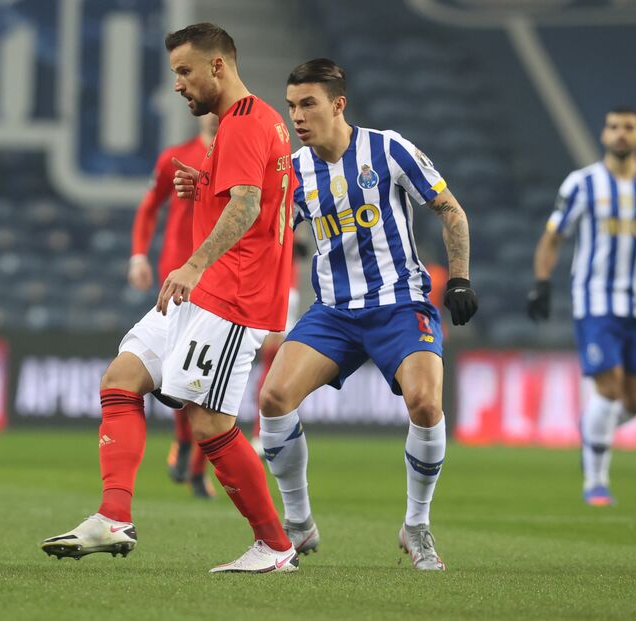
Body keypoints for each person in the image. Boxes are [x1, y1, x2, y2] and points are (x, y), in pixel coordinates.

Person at [42, 23, 299, 574]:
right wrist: (201, 187)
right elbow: (247, 195)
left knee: (208, 426)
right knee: (121, 377)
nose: (178, 84)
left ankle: (276, 547)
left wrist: (194, 262)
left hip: (230, 296)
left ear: (217, 66)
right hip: (202, 292)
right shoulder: (245, 122)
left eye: (184, 72)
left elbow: (250, 206)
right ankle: (114, 516)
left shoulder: (249, 123)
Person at [255, 59, 478, 571]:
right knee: (273, 397)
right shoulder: (295, 170)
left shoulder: (388, 148)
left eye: (307, 104)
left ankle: (416, 526)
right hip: (333, 310)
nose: (297, 117)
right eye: (291, 106)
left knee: (425, 403)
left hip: (400, 304)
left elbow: (450, 209)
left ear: (338, 104)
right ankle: (298, 524)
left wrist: (460, 278)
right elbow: (271, 239)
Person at [526, 106, 636, 506]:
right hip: (595, 303)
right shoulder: (581, 184)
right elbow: (553, 237)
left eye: (629, 127)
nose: (621, 133)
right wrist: (541, 283)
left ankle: (593, 428)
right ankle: (596, 484)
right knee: (607, 386)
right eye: (614, 126)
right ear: (604, 135)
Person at [129, 113, 219, 499]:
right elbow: (149, 206)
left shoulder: (239, 158)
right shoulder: (175, 158)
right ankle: (187, 448)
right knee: (177, 372)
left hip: (217, 277)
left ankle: (194, 461)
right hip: (177, 276)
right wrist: (138, 256)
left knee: (205, 379)